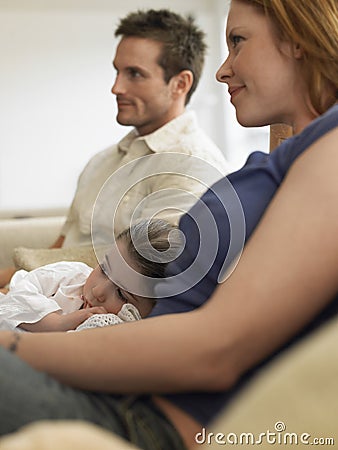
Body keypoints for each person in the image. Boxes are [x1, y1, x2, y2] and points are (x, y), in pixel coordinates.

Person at [0, 1, 337, 449]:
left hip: (146, 415)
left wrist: (16, 348)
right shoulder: (297, 153)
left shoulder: (329, 150)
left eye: (238, 41)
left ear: (298, 39)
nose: (222, 70)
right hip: (125, 383)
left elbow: (216, 348)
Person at [0, 8, 231, 289]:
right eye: (117, 71)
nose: (116, 87)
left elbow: (149, 273)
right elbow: (59, 248)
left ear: (180, 84)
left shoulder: (191, 164)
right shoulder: (102, 162)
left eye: (134, 74)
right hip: (43, 293)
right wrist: (15, 281)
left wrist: (17, 281)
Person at [0, 219, 181, 332]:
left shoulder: (115, 328)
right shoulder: (73, 275)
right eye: (104, 269)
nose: (98, 290)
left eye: (121, 294)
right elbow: (19, 292)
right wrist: (56, 323)